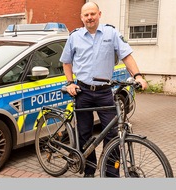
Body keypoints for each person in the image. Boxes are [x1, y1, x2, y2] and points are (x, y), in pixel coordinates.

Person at [59, 2, 148, 177]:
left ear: (99, 14)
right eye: (86, 15)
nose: (89, 17)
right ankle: (90, 171)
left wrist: (137, 75)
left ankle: (111, 173)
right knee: (84, 133)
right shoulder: (74, 37)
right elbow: (66, 62)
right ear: (81, 17)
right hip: (82, 91)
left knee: (113, 134)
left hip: (105, 92)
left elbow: (126, 55)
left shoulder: (111, 33)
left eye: (92, 14)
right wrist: (70, 82)